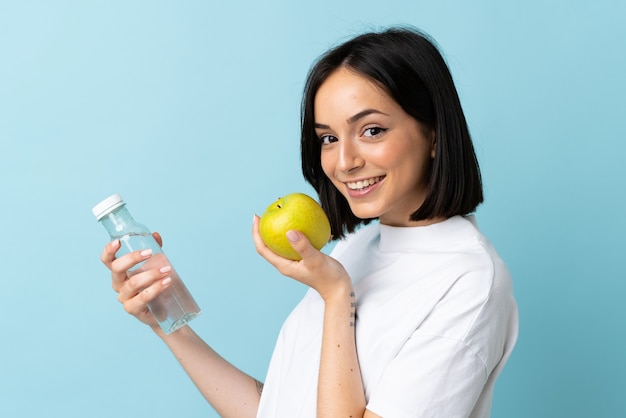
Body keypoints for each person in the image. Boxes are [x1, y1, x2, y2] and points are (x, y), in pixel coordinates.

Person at [100, 26, 518, 418]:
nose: (345, 162)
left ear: (434, 134)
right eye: (328, 138)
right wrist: (169, 327)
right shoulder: (357, 248)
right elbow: (280, 407)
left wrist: (338, 298)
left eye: (371, 130)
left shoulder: (469, 283)